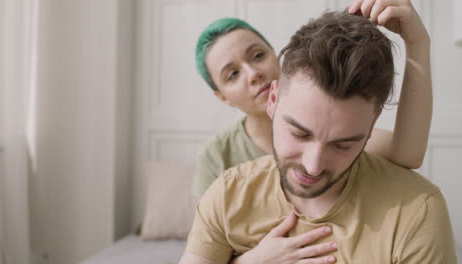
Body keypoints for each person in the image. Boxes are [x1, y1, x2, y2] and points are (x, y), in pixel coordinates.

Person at [180, 1, 457, 263]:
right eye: (299, 134)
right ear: (273, 101)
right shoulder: (225, 184)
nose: (312, 166)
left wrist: (418, 44)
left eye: (342, 144)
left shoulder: (416, 210)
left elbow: (407, 152)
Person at [193, 0, 432, 199]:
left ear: (275, 54)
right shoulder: (217, 156)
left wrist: (418, 43)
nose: (253, 73)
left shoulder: (334, 132)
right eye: (233, 74)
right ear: (223, 97)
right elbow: (208, 246)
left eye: (257, 55)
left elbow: (408, 153)